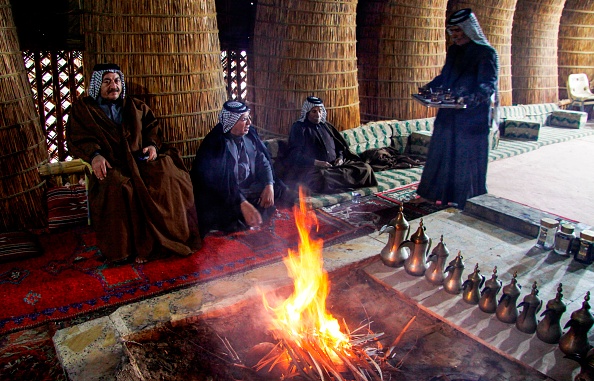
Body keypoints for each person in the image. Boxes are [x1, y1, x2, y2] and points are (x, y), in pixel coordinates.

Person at [66, 63, 201, 264]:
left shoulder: (136, 106)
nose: (114, 86)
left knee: (170, 176)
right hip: (113, 163)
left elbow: (152, 128)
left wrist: (152, 146)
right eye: (107, 82)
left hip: (140, 160)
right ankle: (128, 250)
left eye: (117, 81)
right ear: (97, 85)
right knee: (120, 187)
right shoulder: (83, 110)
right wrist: (94, 155)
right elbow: (78, 138)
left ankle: (171, 239)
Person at [414, 8, 499, 209]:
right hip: (449, 111)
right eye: (452, 32)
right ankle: (433, 194)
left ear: (468, 30)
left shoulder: (487, 53)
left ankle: (465, 198)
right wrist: (430, 87)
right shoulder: (454, 51)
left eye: (459, 31)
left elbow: (488, 85)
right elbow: (446, 76)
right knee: (441, 151)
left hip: (472, 116)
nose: (455, 36)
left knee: (465, 157)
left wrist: (467, 99)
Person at [191, 100, 293, 237]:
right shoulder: (215, 144)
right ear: (231, 122)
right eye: (244, 119)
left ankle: (252, 210)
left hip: (248, 188)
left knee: (283, 191)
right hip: (226, 194)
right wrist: (242, 202)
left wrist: (269, 185)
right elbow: (217, 184)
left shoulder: (250, 135)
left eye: (249, 118)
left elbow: (263, 161)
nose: (249, 123)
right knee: (226, 215)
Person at [285, 96, 377, 194]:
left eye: (320, 111)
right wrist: (317, 163)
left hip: (337, 166)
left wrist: (340, 158)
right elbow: (294, 156)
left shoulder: (326, 126)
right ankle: (343, 184)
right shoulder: (300, 128)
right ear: (307, 113)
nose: (318, 114)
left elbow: (339, 147)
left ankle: (341, 183)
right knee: (322, 179)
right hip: (317, 169)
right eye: (314, 111)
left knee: (365, 168)